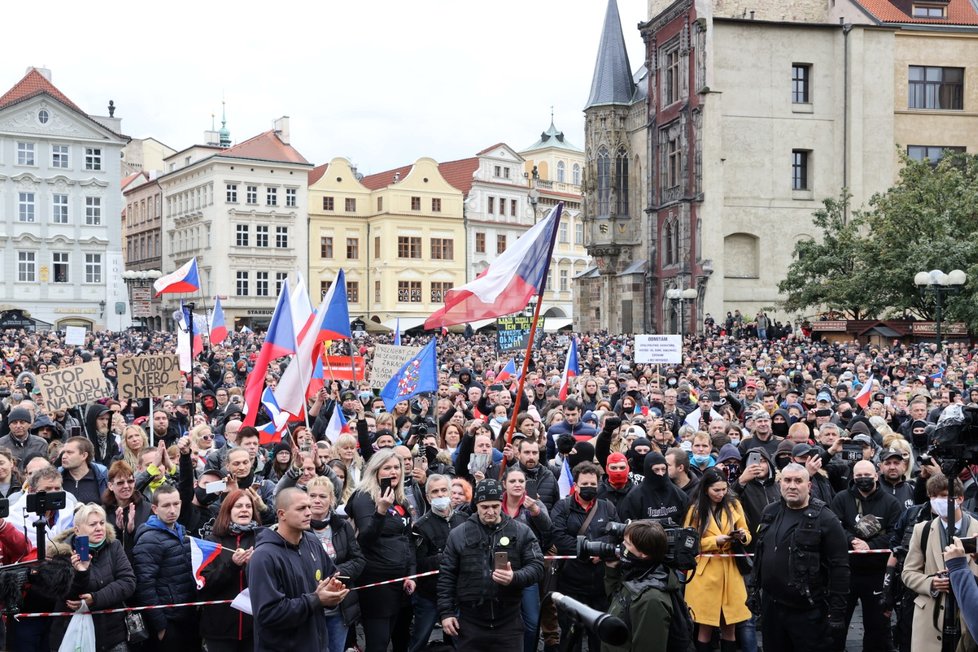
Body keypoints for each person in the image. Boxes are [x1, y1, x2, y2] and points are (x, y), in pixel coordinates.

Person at [749, 463, 850, 652]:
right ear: (780, 483)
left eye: (798, 481)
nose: (792, 486)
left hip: (809, 611)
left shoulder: (826, 519)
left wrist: (836, 613)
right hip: (772, 609)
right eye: (787, 480)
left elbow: (840, 568)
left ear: (809, 486)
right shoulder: (770, 512)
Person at [438, 478, 545, 652]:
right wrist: (446, 613)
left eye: (495, 506)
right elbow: (447, 575)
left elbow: (537, 566)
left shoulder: (520, 531)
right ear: (476, 505)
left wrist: (514, 577)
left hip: (509, 621)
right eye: (484, 507)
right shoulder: (459, 534)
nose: (490, 512)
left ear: (501, 503)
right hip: (471, 622)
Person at [248, 487, 349, 652]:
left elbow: (330, 577)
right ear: (282, 514)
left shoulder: (312, 541)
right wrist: (317, 600)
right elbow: (268, 613)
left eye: (309, 507)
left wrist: (333, 593)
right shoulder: (264, 556)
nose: (309, 512)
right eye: (301, 508)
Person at [345, 449, 416, 652]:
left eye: (396, 467)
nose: (393, 472)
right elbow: (365, 538)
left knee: (399, 639)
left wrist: (411, 575)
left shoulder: (400, 499)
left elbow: (408, 540)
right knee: (378, 642)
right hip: (376, 583)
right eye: (387, 468)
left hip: (400, 583)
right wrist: (381, 511)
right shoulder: (364, 497)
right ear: (376, 471)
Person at [830, 459, 903, 652]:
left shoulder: (891, 503)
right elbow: (834, 526)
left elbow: (896, 534)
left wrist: (869, 545)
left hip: (877, 572)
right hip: (846, 572)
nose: (863, 479)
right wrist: (852, 540)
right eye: (859, 476)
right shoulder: (841, 498)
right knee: (838, 624)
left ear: (876, 476)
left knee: (877, 626)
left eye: (867, 476)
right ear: (853, 477)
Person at [901, 474, 978, 651]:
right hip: (932, 618)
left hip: (968, 615)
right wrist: (931, 583)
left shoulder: (976, 529)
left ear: (960, 498)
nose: (937, 501)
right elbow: (908, 573)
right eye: (932, 496)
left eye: (943, 496)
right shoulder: (923, 530)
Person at [551, 461, 619, 652]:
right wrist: (587, 550)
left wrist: (602, 550)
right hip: (571, 583)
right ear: (576, 485)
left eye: (592, 484)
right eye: (584, 484)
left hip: (600, 584)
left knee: (598, 636)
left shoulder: (608, 507)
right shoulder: (563, 507)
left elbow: (617, 535)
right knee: (571, 635)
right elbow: (558, 536)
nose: (589, 488)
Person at [49, 503, 136, 652]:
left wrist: (96, 599)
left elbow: (128, 582)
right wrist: (82, 573)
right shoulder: (62, 553)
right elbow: (68, 597)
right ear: (77, 530)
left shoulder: (113, 546)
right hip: (75, 634)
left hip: (112, 635)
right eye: (92, 524)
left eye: (102, 523)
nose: (99, 528)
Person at [683, 467, 751, 652]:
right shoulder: (695, 510)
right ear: (706, 489)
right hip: (705, 571)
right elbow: (689, 542)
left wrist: (742, 536)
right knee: (705, 625)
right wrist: (715, 541)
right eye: (716, 490)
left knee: (731, 624)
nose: (721, 494)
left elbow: (748, 533)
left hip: (731, 569)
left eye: (724, 489)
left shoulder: (734, 505)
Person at [133, 484, 199, 651]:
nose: (172, 510)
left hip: (187, 616)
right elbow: (144, 585)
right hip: (169, 621)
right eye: (166, 505)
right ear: (155, 509)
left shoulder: (181, 531)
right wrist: (161, 626)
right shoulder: (149, 539)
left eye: (176, 504)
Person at [198, 489, 261, 652]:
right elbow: (204, 583)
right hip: (220, 629)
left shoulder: (262, 538)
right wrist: (232, 565)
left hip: (254, 629)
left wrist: (255, 565)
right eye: (238, 506)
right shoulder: (213, 542)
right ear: (228, 511)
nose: (245, 510)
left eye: (249, 506)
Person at [307, 475, 365, 652]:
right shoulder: (299, 528)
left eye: (323, 496)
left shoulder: (343, 526)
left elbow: (358, 560)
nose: (317, 500)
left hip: (340, 609)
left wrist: (334, 574)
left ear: (331, 499)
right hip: (309, 608)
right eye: (313, 495)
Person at [409, 473, 467, 652]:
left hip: (457, 593)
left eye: (444, 490)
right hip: (429, 595)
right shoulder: (420, 526)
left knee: (458, 641)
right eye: (435, 491)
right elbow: (418, 563)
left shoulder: (464, 520)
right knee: (420, 639)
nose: (440, 495)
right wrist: (444, 558)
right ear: (428, 496)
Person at [603, 519, 679, 652]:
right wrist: (611, 570)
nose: (621, 546)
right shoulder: (637, 575)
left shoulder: (651, 600)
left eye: (628, 544)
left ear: (643, 554)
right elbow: (619, 605)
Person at [101, 460, 152, 560]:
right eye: (120, 483)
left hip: (141, 565)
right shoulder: (103, 512)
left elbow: (151, 542)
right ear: (110, 486)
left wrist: (131, 532)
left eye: (130, 481)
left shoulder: (147, 508)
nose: (126, 486)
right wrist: (118, 530)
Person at [59, 435, 108, 505]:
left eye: (69, 452)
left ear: (84, 455)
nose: (64, 456)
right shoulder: (58, 478)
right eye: (63, 452)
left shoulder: (101, 478)